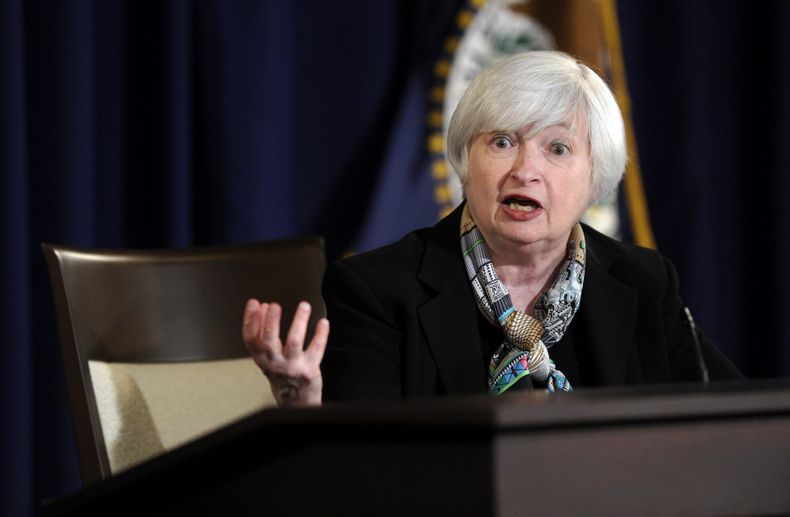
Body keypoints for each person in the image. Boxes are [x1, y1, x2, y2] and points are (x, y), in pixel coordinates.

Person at [242, 50, 742, 407]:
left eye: (558, 148)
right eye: (501, 142)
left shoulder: (644, 282)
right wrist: (304, 407)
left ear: (597, 179)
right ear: (465, 161)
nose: (525, 169)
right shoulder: (377, 291)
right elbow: (361, 471)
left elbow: (739, 421)